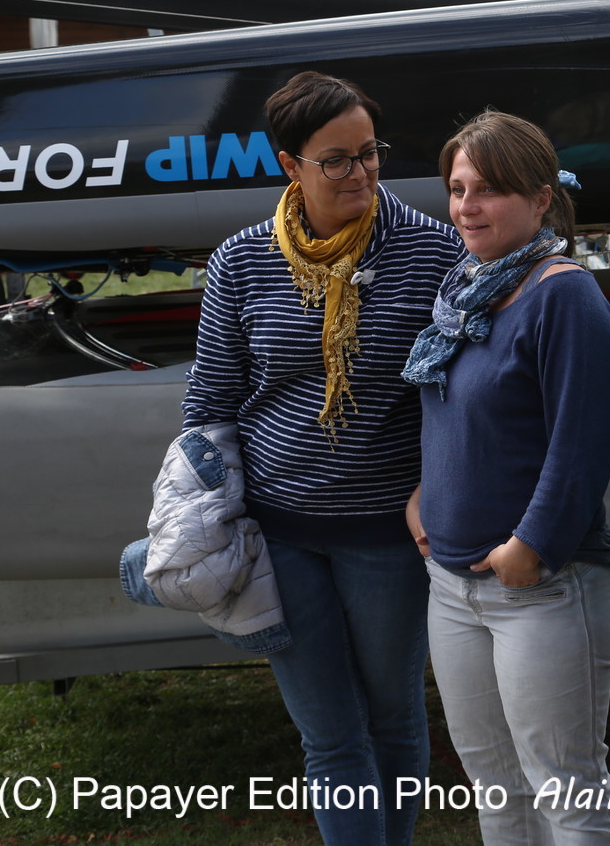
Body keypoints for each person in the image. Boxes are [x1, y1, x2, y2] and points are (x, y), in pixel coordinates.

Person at [182, 71, 460, 846]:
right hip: (281, 535)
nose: (361, 174)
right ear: (289, 166)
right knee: (332, 735)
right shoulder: (241, 262)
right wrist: (201, 508)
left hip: (387, 536)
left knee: (394, 718)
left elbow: (456, 399)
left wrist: (436, 493)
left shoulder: (431, 250)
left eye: (370, 154)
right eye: (335, 160)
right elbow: (210, 399)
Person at [403, 111, 610, 846]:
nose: (467, 206)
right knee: (497, 792)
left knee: (568, 791)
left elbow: (583, 443)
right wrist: (421, 498)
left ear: (539, 200)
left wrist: (528, 549)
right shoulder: (463, 287)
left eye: (489, 190)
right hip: (452, 587)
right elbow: (454, 417)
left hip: (540, 587)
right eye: (458, 188)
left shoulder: (561, 294)